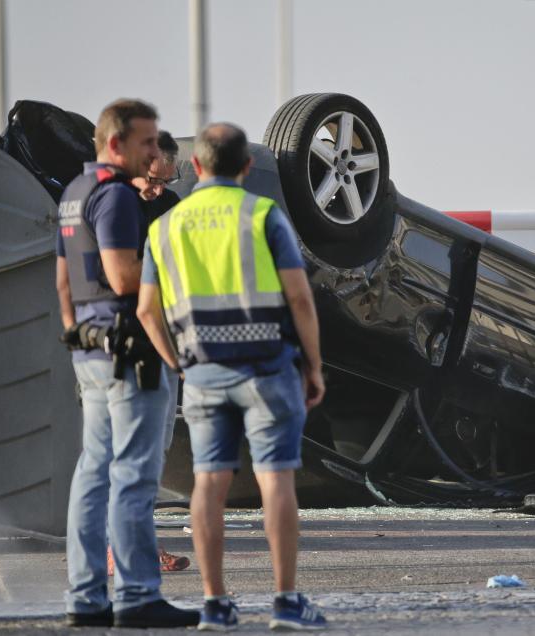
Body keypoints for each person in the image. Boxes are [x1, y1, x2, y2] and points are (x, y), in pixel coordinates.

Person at [137, 122, 328, 631]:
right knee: (276, 479)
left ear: (194, 167)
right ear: (246, 167)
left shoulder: (164, 228)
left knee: (209, 483)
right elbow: (301, 299)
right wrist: (313, 365)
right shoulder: (264, 216)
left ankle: (215, 604)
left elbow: (146, 311)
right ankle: (286, 602)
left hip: (203, 372)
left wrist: (178, 362)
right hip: (268, 368)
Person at [56, 99, 199, 629]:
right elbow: (124, 278)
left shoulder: (74, 192)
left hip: (92, 351)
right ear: (116, 144)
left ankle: (86, 595)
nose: (155, 152)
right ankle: (139, 595)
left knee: (92, 474)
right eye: (146, 142)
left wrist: (77, 337)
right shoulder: (115, 196)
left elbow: (63, 281)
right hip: (132, 350)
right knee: (136, 477)